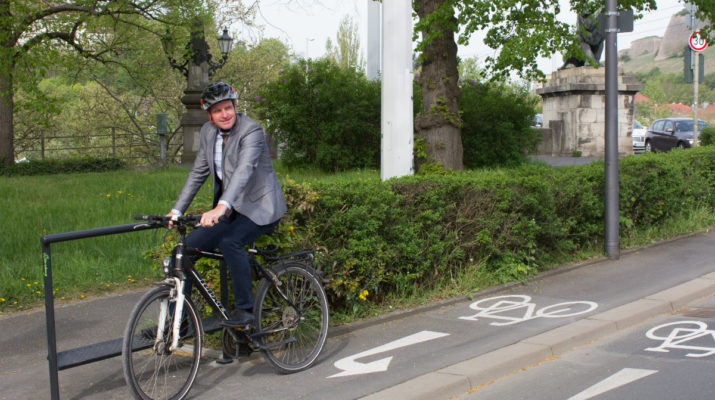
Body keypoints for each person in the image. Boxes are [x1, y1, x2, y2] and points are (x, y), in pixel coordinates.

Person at [168, 81, 287, 328]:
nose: (225, 114)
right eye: (218, 110)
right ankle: (177, 323)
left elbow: (244, 171)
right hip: (232, 208)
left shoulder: (251, 131)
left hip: (260, 207)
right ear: (209, 115)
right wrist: (177, 210)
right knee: (183, 251)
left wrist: (221, 207)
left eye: (228, 108)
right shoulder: (208, 132)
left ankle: (245, 312)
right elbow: (198, 173)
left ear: (235, 106)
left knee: (229, 241)